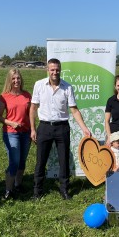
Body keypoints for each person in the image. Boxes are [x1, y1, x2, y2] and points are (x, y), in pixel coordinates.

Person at [30, 58, 91, 200]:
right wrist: (33, 129)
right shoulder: (39, 85)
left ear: (60, 70)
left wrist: (84, 129)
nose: (55, 72)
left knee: (64, 160)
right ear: (47, 70)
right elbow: (33, 108)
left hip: (62, 128)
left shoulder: (67, 87)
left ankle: (64, 190)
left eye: (57, 70)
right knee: (40, 161)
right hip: (44, 127)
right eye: (52, 69)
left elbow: (74, 110)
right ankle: (37, 191)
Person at [0, 68, 31, 199]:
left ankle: (18, 185)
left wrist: (33, 129)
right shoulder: (4, 96)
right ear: (10, 80)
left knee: (22, 161)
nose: (16, 81)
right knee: (14, 161)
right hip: (11, 133)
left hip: (25, 133)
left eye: (18, 78)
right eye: (14, 79)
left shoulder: (27, 95)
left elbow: (30, 114)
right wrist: (11, 123)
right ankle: (8, 190)